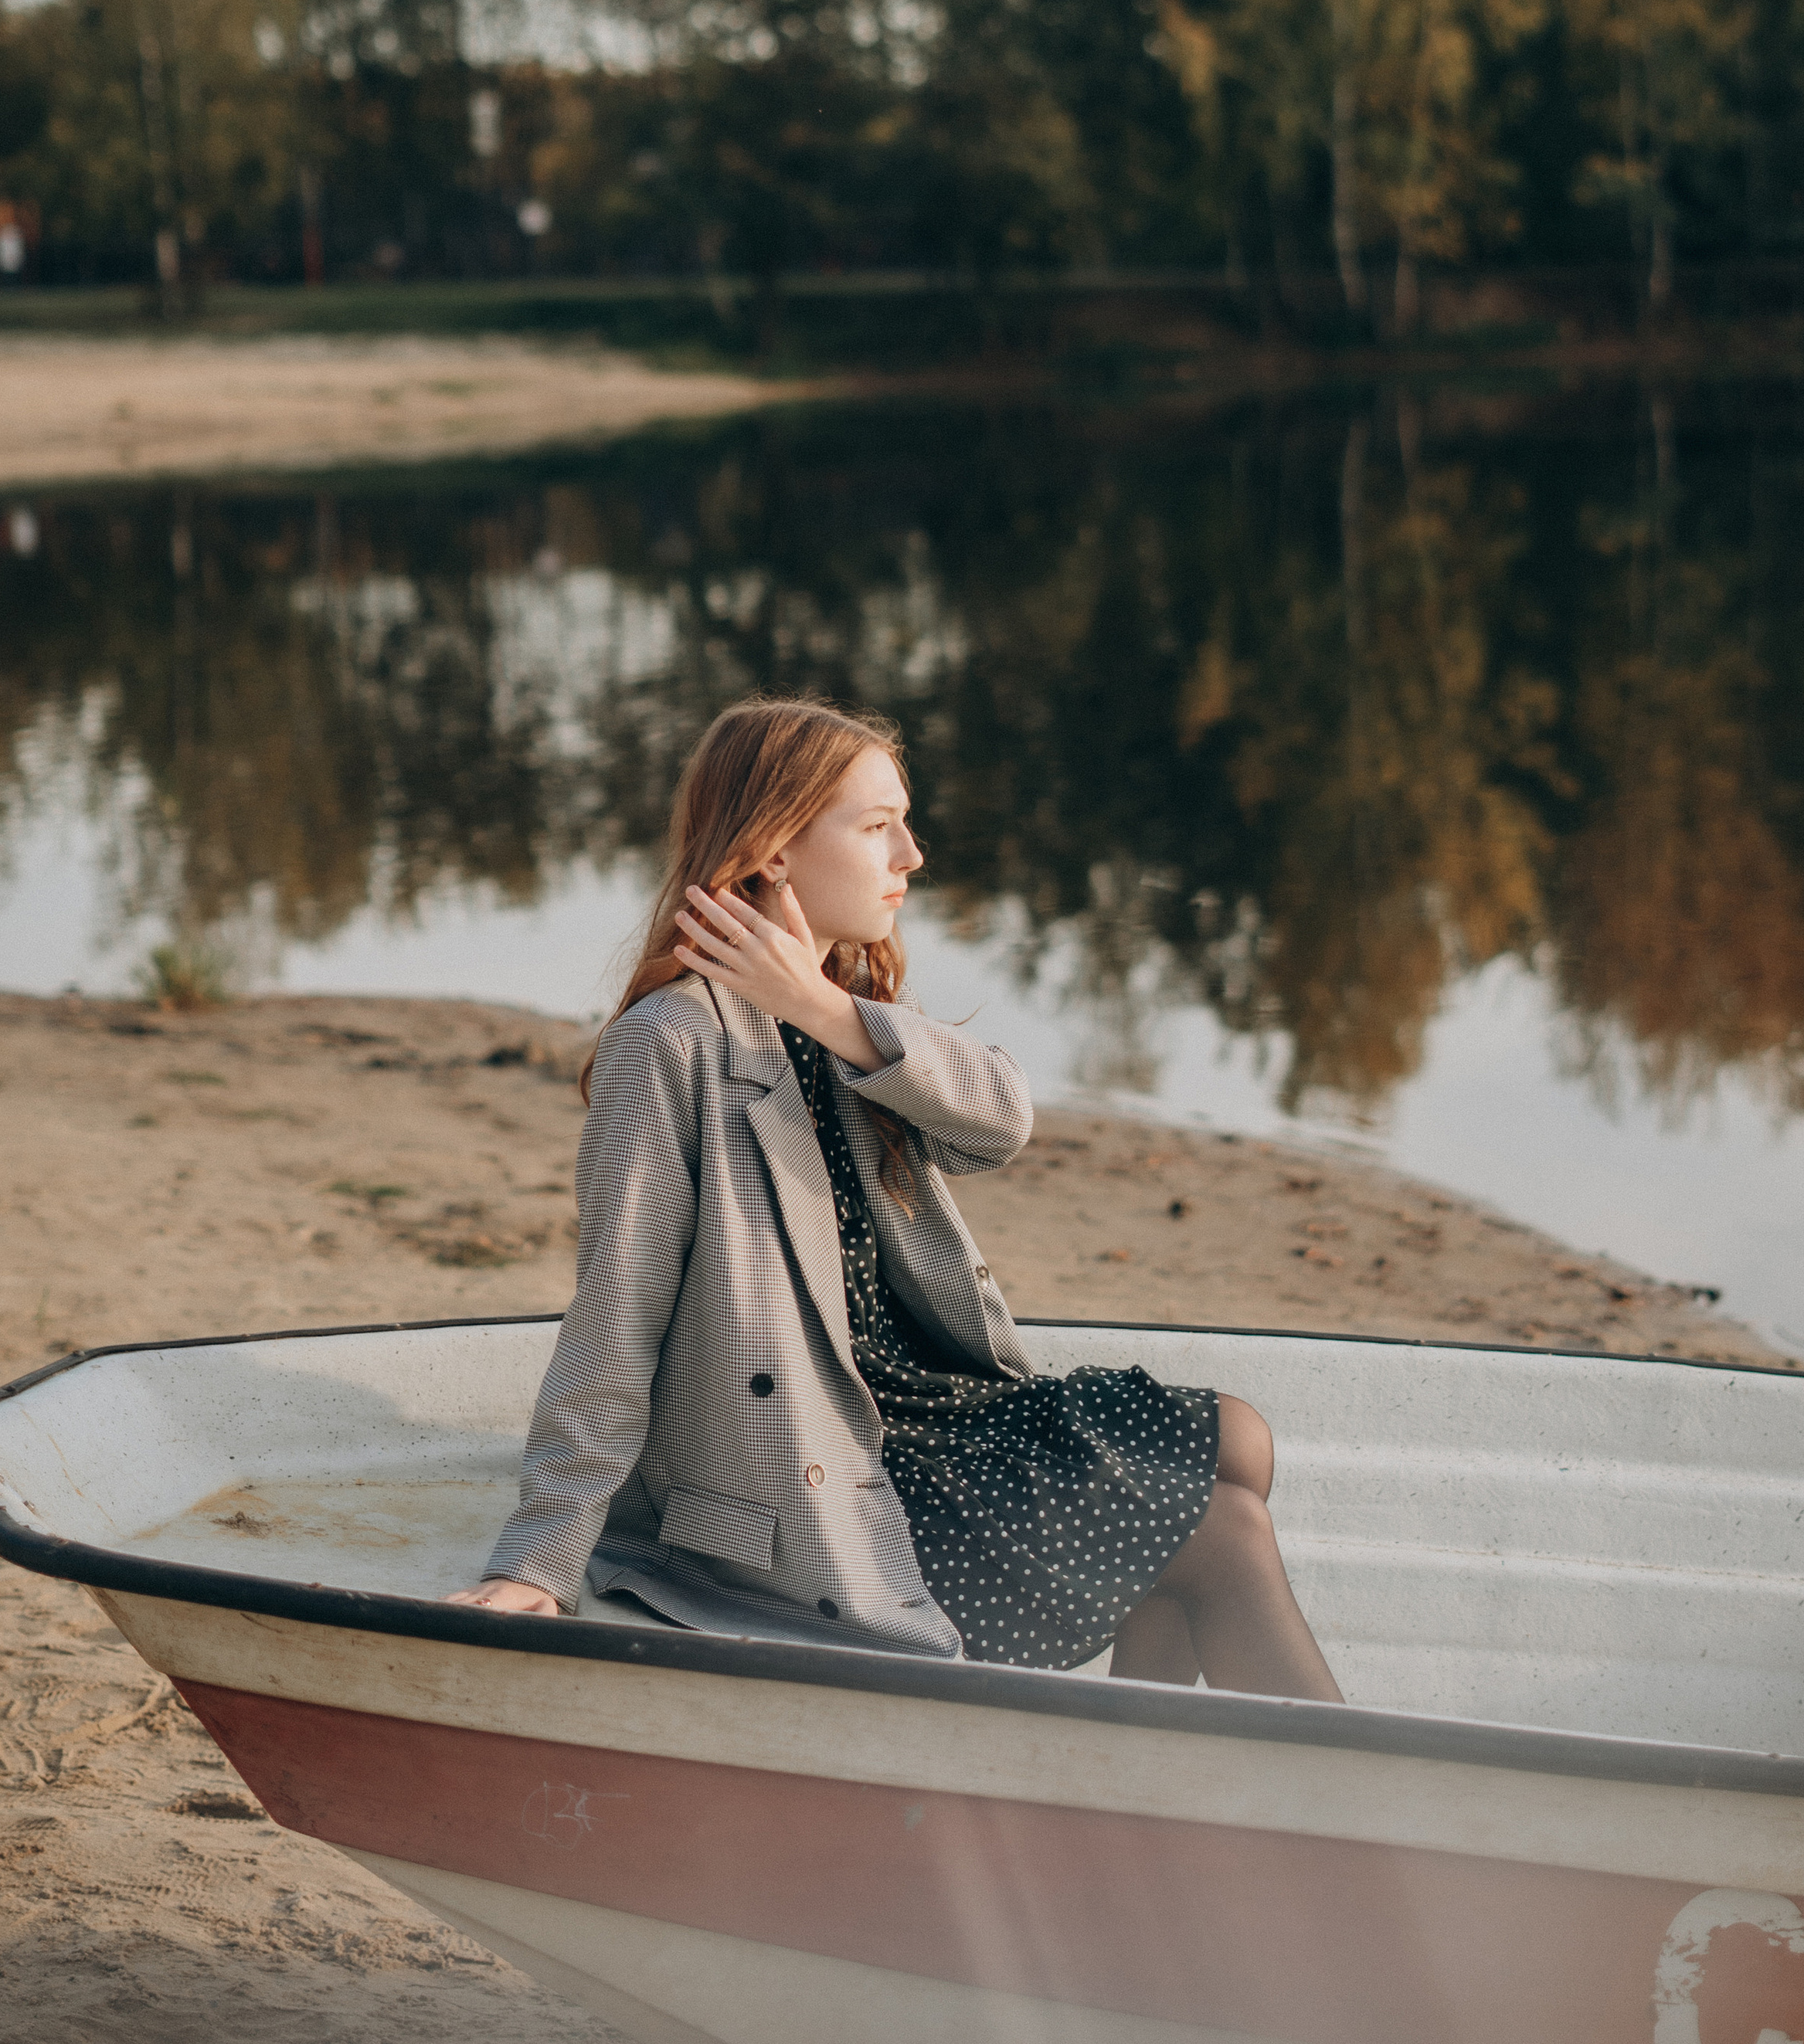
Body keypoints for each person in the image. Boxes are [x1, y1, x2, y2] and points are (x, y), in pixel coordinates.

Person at [451, 696, 1340, 1701]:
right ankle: (1354, 1838)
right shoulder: (670, 1045)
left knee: (1240, 1439)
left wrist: (823, 1006)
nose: (911, 856)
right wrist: (538, 1561)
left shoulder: (842, 1016)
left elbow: (1000, 1121)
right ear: (776, 849)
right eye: (878, 827)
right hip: (824, 1475)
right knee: (1217, 1531)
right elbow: (618, 1314)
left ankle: (1140, 1796)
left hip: (924, 1412)